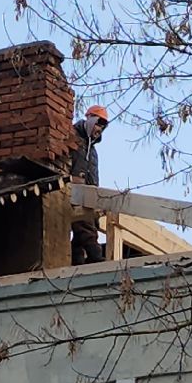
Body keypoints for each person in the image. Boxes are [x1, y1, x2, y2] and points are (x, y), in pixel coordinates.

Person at [71, 106, 109, 264]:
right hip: (74, 192)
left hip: (89, 195)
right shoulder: (72, 137)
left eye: (103, 126)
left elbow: (93, 178)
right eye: (98, 123)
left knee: (85, 229)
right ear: (90, 119)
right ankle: (96, 258)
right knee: (86, 229)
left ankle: (76, 261)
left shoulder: (92, 151)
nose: (99, 129)